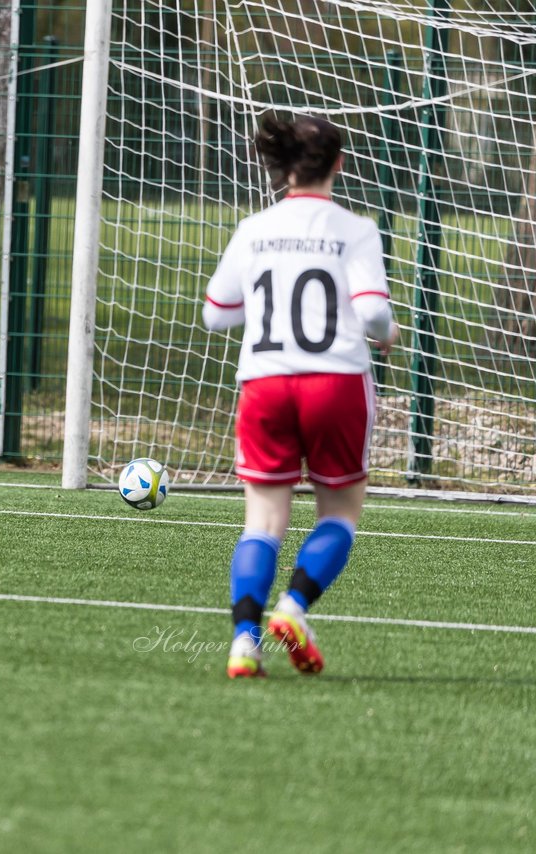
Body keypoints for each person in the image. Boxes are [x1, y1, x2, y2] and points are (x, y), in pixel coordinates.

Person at [202, 115, 399, 679]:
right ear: (339, 164)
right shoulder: (355, 227)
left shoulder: (253, 228)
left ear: (281, 167)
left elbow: (216, 315)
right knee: (340, 511)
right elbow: (373, 312)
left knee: (263, 518)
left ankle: (244, 641)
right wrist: (387, 336)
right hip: (335, 381)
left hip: (265, 382)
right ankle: (292, 609)